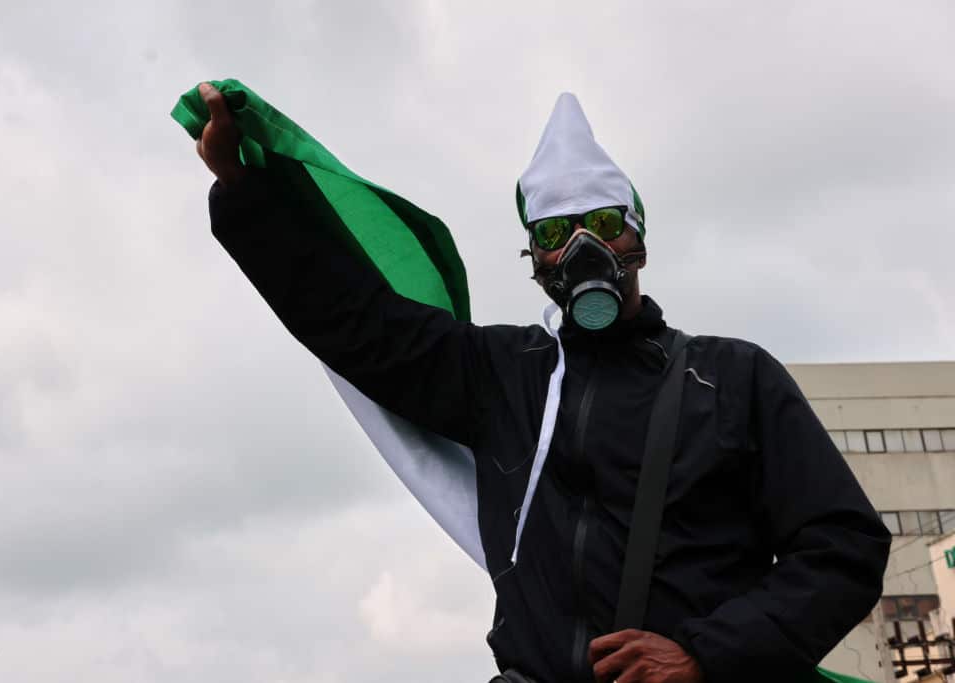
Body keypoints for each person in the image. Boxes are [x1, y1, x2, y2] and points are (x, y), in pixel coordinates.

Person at [193, 82, 891, 683]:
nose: (583, 247)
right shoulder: (502, 374)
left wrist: (703, 657)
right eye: (556, 230)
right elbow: (358, 323)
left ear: (639, 238)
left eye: (605, 222)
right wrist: (245, 189)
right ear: (535, 258)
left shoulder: (734, 378)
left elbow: (845, 549)